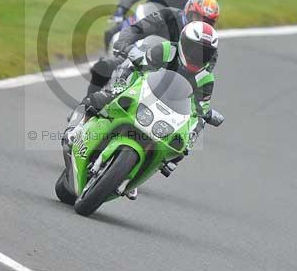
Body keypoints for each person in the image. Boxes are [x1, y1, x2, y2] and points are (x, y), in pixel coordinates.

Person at [66, 21, 220, 198]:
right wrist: (118, 88)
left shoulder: (206, 78)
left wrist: (193, 132)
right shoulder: (166, 50)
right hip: (141, 92)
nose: (197, 56)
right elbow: (136, 67)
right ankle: (77, 129)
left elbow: (199, 111)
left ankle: (134, 174)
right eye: (195, 50)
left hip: (171, 112)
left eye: (205, 53)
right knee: (100, 99)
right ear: (184, 43)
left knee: (181, 146)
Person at [93, 0, 220, 98]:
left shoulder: (209, 46)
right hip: (143, 61)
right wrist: (124, 44)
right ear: (188, 10)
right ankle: (84, 113)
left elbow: (204, 75)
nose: (200, 23)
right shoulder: (168, 15)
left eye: (207, 21)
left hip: (175, 82)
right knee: (103, 67)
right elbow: (137, 29)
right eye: (197, 17)